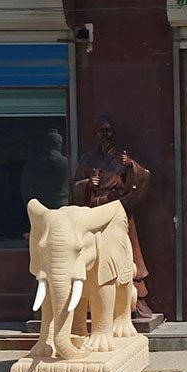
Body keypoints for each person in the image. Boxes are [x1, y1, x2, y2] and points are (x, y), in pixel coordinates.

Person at [71, 115, 152, 318]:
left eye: (108, 130)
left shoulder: (121, 158)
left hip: (117, 209)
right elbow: (73, 188)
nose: (105, 134)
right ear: (95, 133)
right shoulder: (87, 159)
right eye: (101, 130)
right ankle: (90, 301)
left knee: (125, 253)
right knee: (93, 255)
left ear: (113, 133)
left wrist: (131, 165)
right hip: (94, 211)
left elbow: (144, 176)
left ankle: (132, 301)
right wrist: (88, 183)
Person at [20, 128, 69, 210]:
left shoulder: (34, 164)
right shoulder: (66, 163)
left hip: (42, 206)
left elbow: (25, 188)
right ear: (59, 144)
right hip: (62, 205)